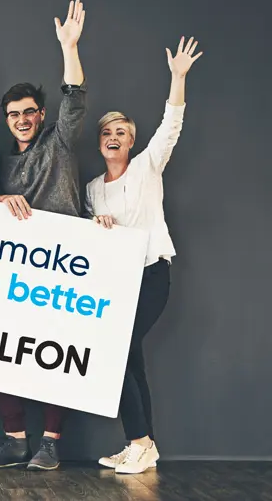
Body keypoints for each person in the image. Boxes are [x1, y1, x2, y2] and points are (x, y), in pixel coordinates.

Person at [0, 0, 87, 472]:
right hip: (15, 270)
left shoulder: (59, 139)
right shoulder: (2, 162)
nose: (22, 118)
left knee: (57, 354)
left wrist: (70, 48)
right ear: (7, 118)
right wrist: (0, 201)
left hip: (63, 262)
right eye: (14, 112)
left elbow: (75, 97)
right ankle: (16, 439)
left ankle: (51, 443)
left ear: (41, 115)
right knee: (2, 351)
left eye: (29, 111)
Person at [87, 36, 202, 474]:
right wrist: (96, 228)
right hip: (116, 285)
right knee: (130, 360)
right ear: (100, 143)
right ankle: (143, 444)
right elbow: (91, 245)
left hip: (151, 275)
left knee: (114, 354)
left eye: (121, 133)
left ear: (132, 142)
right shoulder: (93, 189)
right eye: (107, 133)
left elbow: (171, 125)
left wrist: (177, 78)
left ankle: (138, 440)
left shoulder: (146, 166)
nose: (113, 138)